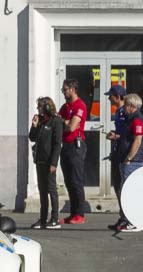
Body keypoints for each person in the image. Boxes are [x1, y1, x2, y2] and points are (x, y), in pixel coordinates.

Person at [111, 93, 143, 233]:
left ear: (132, 106)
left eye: (126, 105)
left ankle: (133, 221)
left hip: (133, 161)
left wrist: (130, 158)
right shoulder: (130, 120)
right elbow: (128, 137)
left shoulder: (137, 120)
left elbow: (137, 141)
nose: (123, 107)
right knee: (124, 190)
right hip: (125, 159)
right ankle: (125, 219)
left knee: (130, 191)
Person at [28, 96, 63, 229]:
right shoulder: (41, 122)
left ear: (47, 107)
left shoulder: (56, 121)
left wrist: (54, 163)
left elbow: (57, 144)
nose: (38, 109)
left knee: (51, 189)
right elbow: (32, 138)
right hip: (40, 160)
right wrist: (34, 125)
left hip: (49, 161)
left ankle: (55, 218)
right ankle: (43, 219)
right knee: (42, 190)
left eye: (40, 106)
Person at [58, 79, 88, 224]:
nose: (63, 92)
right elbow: (58, 122)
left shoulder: (79, 106)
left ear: (72, 89)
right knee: (69, 181)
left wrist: (64, 122)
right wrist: (65, 121)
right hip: (66, 145)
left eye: (65, 90)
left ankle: (80, 214)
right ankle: (73, 212)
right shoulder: (65, 107)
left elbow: (72, 127)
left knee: (76, 180)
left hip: (76, 145)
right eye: (63, 90)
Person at [105, 85, 128, 231]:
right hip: (117, 151)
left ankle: (127, 217)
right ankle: (122, 216)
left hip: (124, 152)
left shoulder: (126, 111)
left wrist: (117, 136)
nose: (109, 99)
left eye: (111, 96)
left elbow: (130, 133)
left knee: (123, 187)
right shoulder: (118, 111)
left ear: (118, 97)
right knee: (117, 185)